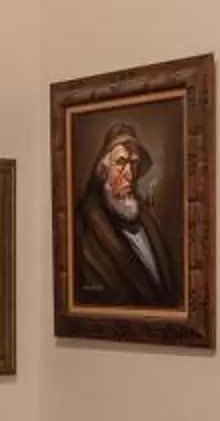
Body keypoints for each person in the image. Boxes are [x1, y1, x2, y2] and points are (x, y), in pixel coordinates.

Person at [71, 120, 178, 309]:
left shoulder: (146, 218)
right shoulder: (84, 224)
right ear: (103, 171)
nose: (129, 173)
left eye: (134, 163)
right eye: (121, 163)